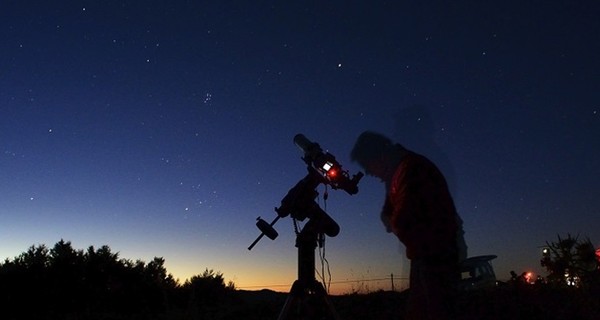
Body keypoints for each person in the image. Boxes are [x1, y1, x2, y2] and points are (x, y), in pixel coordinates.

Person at [351, 130, 466, 320]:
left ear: (378, 155)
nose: (369, 172)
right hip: (426, 255)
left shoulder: (411, 169)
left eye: (367, 165)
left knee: (435, 311)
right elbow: (390, 212)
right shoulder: (401, 171)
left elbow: (403, 219)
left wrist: (393, 221)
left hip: (436, 256)